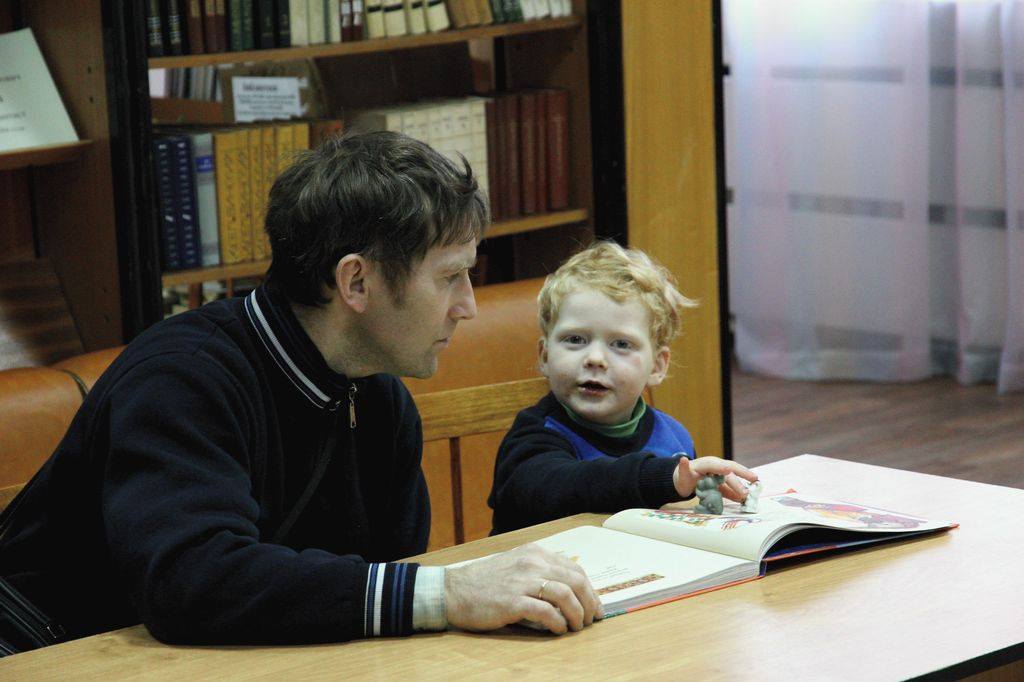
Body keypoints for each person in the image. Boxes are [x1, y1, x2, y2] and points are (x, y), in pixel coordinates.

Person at [0, 131, 600, 650]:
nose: (467, 306)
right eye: (451, 276)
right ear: (356, 281)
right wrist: (448, 591)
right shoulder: (181, 379)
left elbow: (379, 590)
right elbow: (192, 581)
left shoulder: (379, 395)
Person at [489, 241, 758, 534]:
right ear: (544, 356)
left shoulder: (674, 438)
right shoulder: (532, 436)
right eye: (575, 340)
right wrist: (664, 478)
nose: (595, 358)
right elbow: (561, 486)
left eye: (621, 344)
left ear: (657, 366)